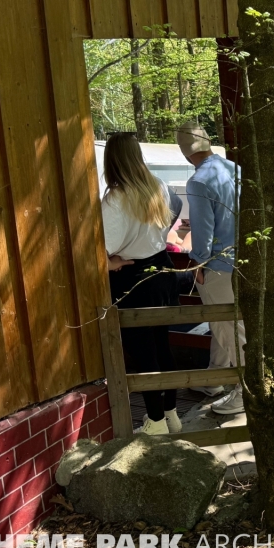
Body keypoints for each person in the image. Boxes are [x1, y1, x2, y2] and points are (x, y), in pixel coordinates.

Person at [101, 133, 182, 435]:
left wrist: (111, 263)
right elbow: (170, 218)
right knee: (162, 344)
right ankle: (170, 413)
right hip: (162, 267)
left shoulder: (115, 199)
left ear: (112, 159)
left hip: (133, 276)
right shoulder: (157, 185)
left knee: (143, 350)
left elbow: (105, 247)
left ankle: (156, 421)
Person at [176, 121, 244, 416]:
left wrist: (198, 261)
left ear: (184, 153)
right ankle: (214, 379)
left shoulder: (199, 181)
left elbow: (203, 235)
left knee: (228, 328)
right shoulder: (234, 169)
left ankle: (246, 391)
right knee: (226, 325)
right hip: (243, 258)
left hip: (218, 266)